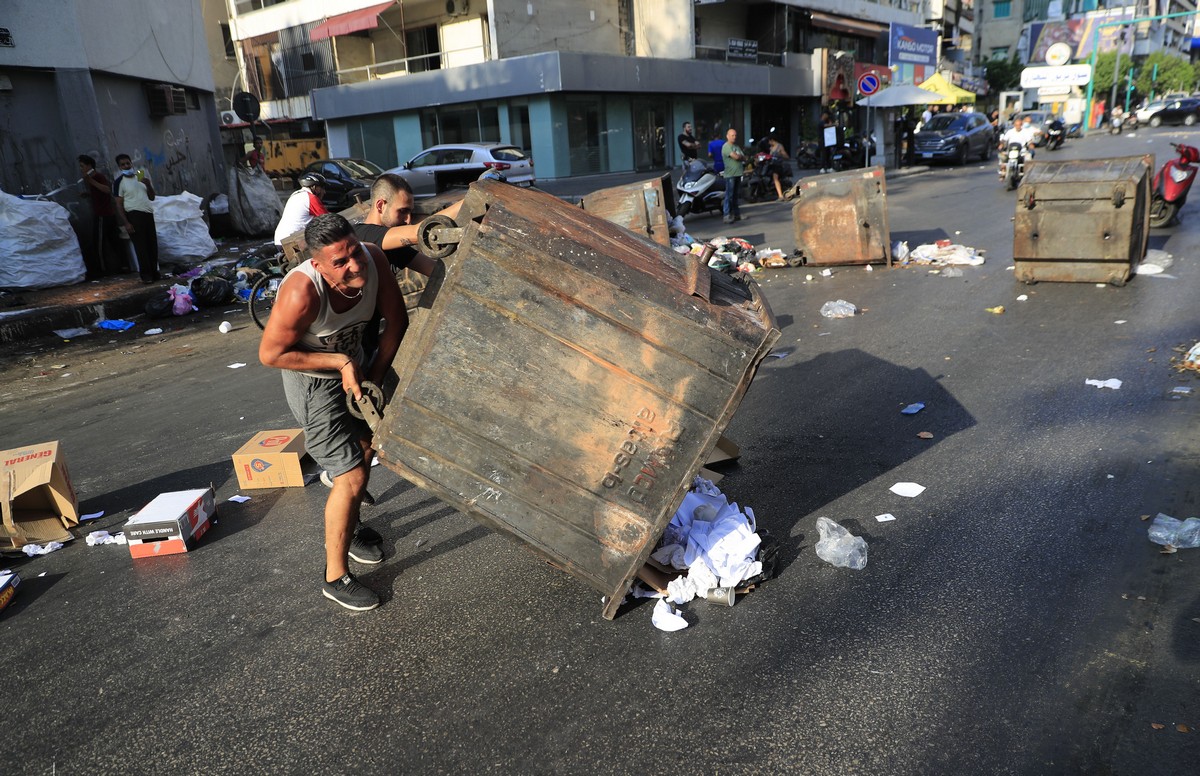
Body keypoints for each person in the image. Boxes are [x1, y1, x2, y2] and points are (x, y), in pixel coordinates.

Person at [258, 213, 407, 612]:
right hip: (313, 382)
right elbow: (271, 355)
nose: (354, 265)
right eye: (340, 262)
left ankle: (351, 522)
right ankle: (334, 578)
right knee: (352, 476)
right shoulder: (301, 292)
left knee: (366, 449)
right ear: (319, 266)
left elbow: (397, 321)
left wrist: (372, 375)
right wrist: (340, 363)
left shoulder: (373, 261)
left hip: (357, 367)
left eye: (354, 251)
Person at [113, 153, 159, 284]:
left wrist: (149, 185)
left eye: (128, 163)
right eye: (123, 165)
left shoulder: (140, 174)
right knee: (141, 247)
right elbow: (118, 204)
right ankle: (146, 275)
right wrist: (126, 223)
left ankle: (155, 273)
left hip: (148, 213)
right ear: (120, 167)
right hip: (133, 215)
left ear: (131, 163)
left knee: (152, 245)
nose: (127, 166)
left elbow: (152, 197)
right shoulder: (118, 182)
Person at [77, 154, 124, 280]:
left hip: (103, 215)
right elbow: (100, 194)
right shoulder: (94, 178)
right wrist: (88, 194)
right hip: (107, 214)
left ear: (89, 166)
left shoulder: (97, 176)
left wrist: (91, 181)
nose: (81, 169)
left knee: (99, 244)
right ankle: (122, 266)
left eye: (82, 166)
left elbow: (106, 190)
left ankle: (102, 270)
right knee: (114, 241)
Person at [274, 172, 329, 246]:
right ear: (315, 187)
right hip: (290, 242)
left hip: (280, 239)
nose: (324, 192)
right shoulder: (310, 198)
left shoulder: (296, 195)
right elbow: (328, 220)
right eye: (322, 188)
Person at [721, 128, 746, 224]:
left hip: (738, 174)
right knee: (729, 195)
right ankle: (726, 215)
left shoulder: (736, 146)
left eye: (735, 135)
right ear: (727, 136)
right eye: (732, 135)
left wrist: (738, 156)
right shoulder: (726, 147)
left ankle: (737, 214)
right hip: (730, 175)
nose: (734, 137)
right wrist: (738, 156)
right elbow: (736, 157)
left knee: (735, 195)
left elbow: (744, 157)